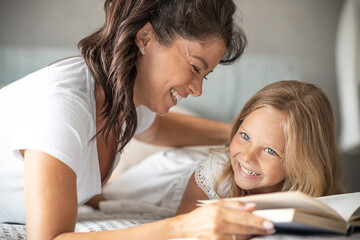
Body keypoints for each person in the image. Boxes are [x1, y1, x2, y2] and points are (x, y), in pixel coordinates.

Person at [0, 0, 280, 239]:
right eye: (195, 68)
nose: (197, 89)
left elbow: (158, 130)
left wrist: (245, 137)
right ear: (145, 37)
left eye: (204, 75)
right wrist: (184, 226)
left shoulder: (127, 94)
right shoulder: (61, 107)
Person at [103, 80, 346, 238]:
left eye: (271, 151)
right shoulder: (211, 175)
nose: (248, 157)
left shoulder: (310, 196)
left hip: (200, 163)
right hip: (172, 173)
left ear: (302, 161)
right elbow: (185, 230)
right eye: (245, 135)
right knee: (108, 192)